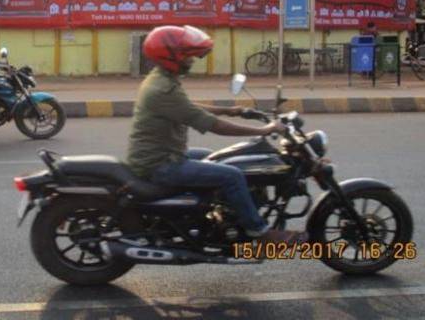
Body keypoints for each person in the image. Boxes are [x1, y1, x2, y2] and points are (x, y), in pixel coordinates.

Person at [125, 25, 307, 244]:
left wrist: (230, 110)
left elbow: (187, 106)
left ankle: (216, 214)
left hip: (162, 156)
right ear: (171, 57)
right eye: (187, 56)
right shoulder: (162, 89)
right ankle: (259, 231)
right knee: (232, 175)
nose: (191, 60)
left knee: (214, 157)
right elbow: (214, 125)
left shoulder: (160, 79)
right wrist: (265, 130)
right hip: (160, 165)